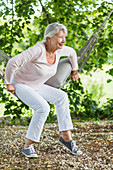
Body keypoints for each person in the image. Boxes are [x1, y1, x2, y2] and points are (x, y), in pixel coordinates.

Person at [5, 22, 82, 157]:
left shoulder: (59, 50)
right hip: (20, 84)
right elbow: (12, 62)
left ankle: (66, 138)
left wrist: (75, 70)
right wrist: (8, 83)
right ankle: (28, 146)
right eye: (60, 37)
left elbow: (72, 53)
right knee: (43, 108)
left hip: (37, 85)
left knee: (62, 97)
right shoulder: (38, 50)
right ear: (49, 38)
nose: (63, 40)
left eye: (64, 37)